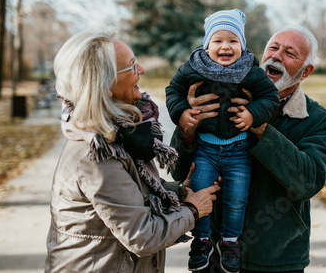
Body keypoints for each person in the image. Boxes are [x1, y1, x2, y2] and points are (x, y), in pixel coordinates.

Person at [45, 27, 220, 273]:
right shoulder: (97, 154)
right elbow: (142, 236)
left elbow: (128, 193)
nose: (142, 70)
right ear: (104, 84)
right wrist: (192, 209)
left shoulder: (114, 132)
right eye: (132, 65)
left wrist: (178, 192)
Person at [170, 25, 326, 273]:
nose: (277, 56)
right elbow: (178, 172)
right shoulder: (213, 97)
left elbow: (308, 182)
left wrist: (261, 128)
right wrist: (188, 127)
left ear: (305, 72)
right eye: (273, 47)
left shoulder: (317, 120)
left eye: (290, 53)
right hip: (216, 254)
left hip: (277, 260)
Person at [165, 9, 280, 272]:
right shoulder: (194, 67)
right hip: (205, 147)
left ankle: (230, 241)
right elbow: (173, 91)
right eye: (218, 41)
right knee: (201, 193)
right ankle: (202, 240)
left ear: (242, 45)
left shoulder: (250, 70)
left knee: (237, 198)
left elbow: (269, 98)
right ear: (207, 45)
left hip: (239, 149)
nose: (225, 46)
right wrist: (182, 112)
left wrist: (253, 113)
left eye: (233, 41)